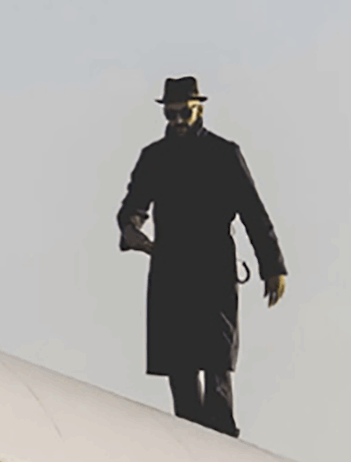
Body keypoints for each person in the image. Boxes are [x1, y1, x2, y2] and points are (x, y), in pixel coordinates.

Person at [117, 76, 287, 437]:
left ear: (200, 109)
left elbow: (254, 213)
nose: (177, 122)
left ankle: (222, 442)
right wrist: (131, 230)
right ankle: (190, 444)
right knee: (179, 368)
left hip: (214, 272)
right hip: (171, 270)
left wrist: (272, 267)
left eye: (184, 114)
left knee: (216, 363)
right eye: (171, 115)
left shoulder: (223, 154)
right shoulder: (154, 157)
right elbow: (133, 206)